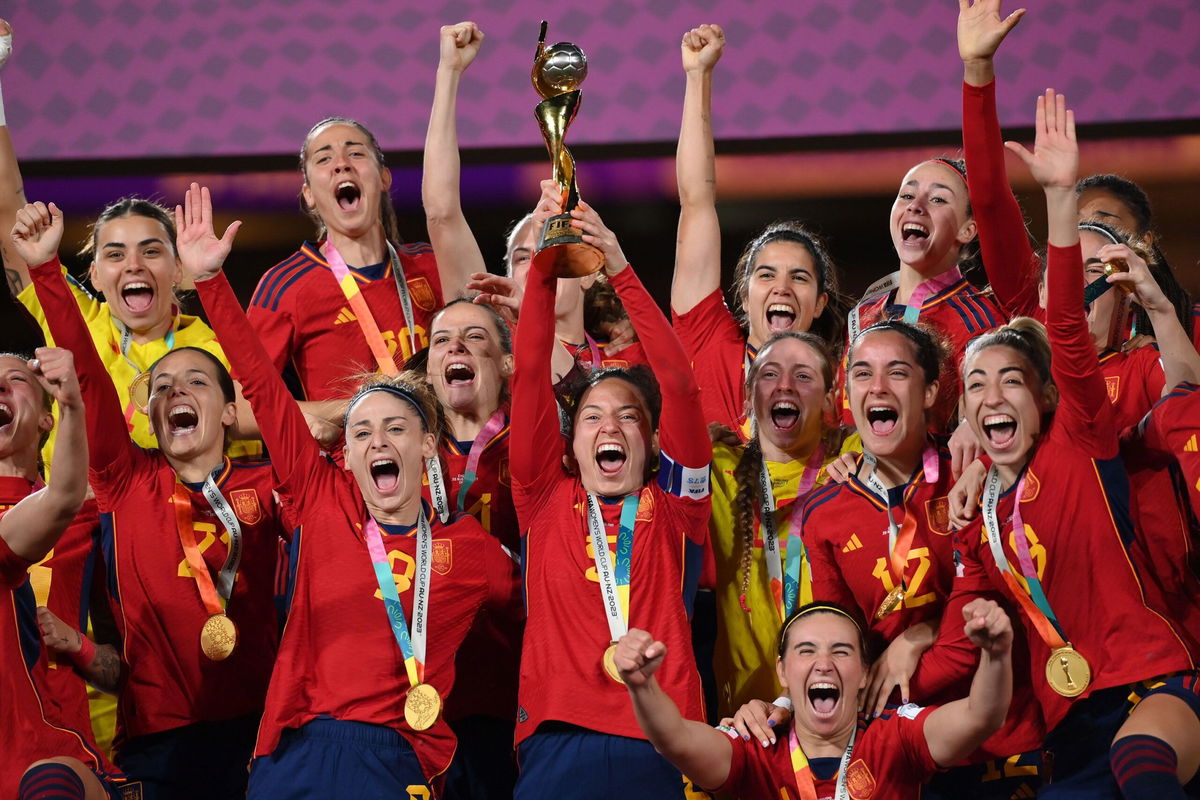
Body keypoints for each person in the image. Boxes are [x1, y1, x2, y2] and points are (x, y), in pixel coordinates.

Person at [178, 182, 520, 797]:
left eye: (394, 428)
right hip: (300, 748)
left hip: (403, 758)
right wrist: (210, 285)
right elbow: (262, 386)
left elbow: (547, 613)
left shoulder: (470, 548)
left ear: (425, 446)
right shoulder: (322, 500)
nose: (377, 442)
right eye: (361, 433)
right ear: (348, 455)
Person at [950, 83, 1200, 797]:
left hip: (1156, 656)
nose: (1083, 290)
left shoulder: (1099, 409)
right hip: (1070, 709)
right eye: (977, 389)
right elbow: (994, 213)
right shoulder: (991, 495)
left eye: (1100, 271)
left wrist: (1061, 200)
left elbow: (1073, 336)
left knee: (1140, 770)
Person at [14, 197, 287, 800]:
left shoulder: (271, 487)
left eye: (195, 381)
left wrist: (213, 282)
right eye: (158, 386)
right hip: (157, 741)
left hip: (268, 732)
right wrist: (44, 272)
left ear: (229, 409)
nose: (174, 392)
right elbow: (87, 378)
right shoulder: (128, 480)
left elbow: (273, 401)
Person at [509, 198, 711, 799]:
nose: (611, 428)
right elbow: (526, 374)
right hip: (556, 736)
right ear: (569, 448)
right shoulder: (542, 497)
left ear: (652, 446)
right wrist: (545, 264)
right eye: (592, 416)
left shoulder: (678, 507)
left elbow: (681, 387)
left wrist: (619, 266)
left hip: (665, 737)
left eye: (629, 417)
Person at [246, 22, 488, 410]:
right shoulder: (283, 286)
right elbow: (242, 409)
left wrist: (449, 73)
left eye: (356, 153)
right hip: (350, 467)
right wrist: (364, 408)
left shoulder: (430, 265)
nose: (341, 164)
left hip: (443, 465)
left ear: (383, 179)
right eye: (324, 159)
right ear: (309, 194)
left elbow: (443, 211)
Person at [616, 600, 1014, 800]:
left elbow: (981, 716)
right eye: (806, 651)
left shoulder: (896, 736)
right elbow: (674, 739)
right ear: (784, 672)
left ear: (862, 673)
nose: (823, 663)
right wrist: (642, 686)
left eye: (841, 651)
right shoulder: (756, 747)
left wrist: (996, 655)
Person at [670, 25, 842, 437]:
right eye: (766, 275)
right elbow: (696, 201)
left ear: (819, 304)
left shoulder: (842, 385)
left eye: (799, 278)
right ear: (744, 297)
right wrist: (698, 77)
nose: (781, 288)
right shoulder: (708, 344)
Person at [0, 346, 125, 800]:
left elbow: (130, 672)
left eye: (15, 379)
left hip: (55, 753)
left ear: (47, 419)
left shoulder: (91, 517)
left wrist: (78, 644)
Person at [708, 332, 840, 718]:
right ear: (749, 396)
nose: (785, 385)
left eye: (803, 376)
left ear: (831, 400)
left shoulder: (855, 458)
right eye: (769, 375)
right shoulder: (717, 467)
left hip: (834, 704)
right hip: (748, 715)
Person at [423, 297, 523, 799]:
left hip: (516, 693)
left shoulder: (536, 443)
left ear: (507, 363)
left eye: (474, 336)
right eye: (441, 339)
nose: (455, 346)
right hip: (424, 700)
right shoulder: (398, 449)